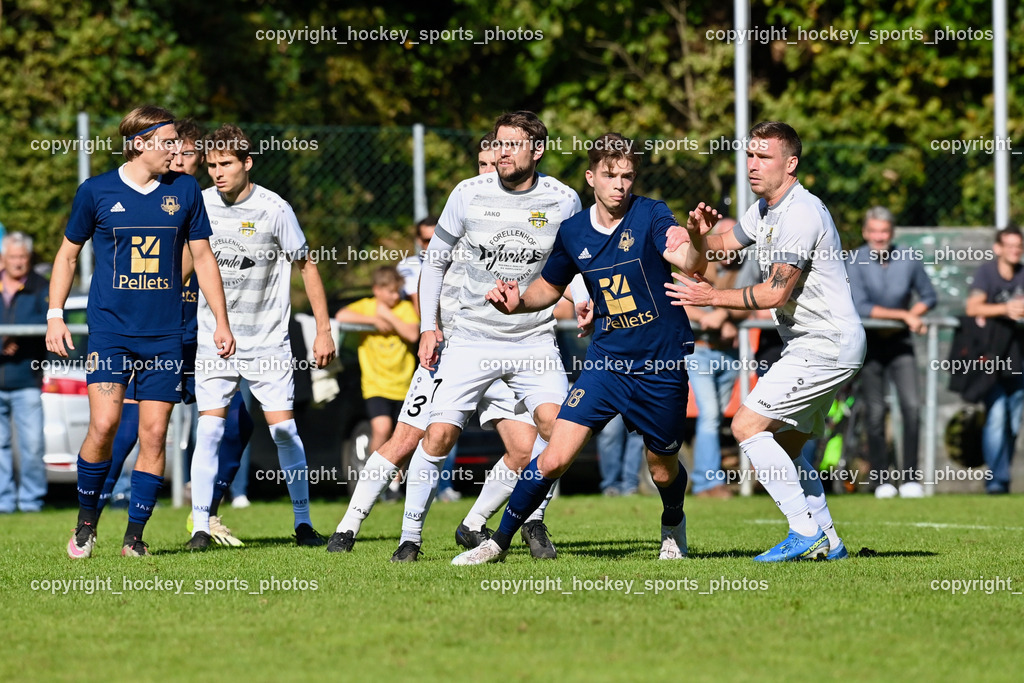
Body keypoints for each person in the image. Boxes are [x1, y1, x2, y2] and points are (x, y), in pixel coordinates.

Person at [452, 132, 715, 565]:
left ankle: (672, 523)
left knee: (662, 468)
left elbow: (690, 261)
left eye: (628, 176)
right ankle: (496, 542)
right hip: (607, 363)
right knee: (553, 457)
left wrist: (697, 240)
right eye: (611, 175)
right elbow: (546, 287)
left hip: (660, 363)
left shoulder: (652, 214)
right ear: (591, 177)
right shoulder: (573, 231)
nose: (620, 184)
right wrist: (517, 301)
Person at [664, 121, 864, 562]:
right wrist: (695, 233)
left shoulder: (801, 213)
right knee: (788, 450)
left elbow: (775, 292)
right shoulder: (765, 209)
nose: (752, 165)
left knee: (746, 426)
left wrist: (710, 296)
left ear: (790, 164)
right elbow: (721, 248)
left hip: (825, 343)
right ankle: (829, 542)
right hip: (815, 344)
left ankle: (802, 530)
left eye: (763, 157)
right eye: (749, 156)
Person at [49, 105, 235, 558]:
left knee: (154, 435)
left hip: (165, 336)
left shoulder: (186, 190)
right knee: (105, 424)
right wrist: (55, 313)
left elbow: (205, 258)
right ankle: (85, 525)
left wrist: (221, 322)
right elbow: (67, 255)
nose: (177, 149)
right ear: (139, 144)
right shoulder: (96, 191)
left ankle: (134, 537)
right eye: (168, 141)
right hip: (111, 333)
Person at [403, 111, 581, 564]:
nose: (502, 153)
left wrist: (583, 297)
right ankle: (410, 538)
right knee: (439, 435)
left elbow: (575, 260)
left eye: (512, 144)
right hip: (471, 338)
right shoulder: (468, 194)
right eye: (498, 144)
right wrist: (430, 326)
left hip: (533, 339)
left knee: (556, 428)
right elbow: (435, 263)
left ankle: (534, 520)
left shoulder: (563, 200)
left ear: (537, 150)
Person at [95, 120, 253, 547]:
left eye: (188, 156)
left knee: (238, 423)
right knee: (126, 430)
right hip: (153, 332)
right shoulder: (158, 198)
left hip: (195, 336)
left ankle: (205, 513)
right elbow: (169, 266)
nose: (179, 161)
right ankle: (93, 515)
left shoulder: (195, 201)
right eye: (174, 153)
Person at [186, 124, 335, 550]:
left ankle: (303, 523)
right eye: (211, 165)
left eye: (226, 164)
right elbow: (187, 262)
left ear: (247, 163)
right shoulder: (201, 204)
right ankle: (200, 526)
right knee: (210, 430)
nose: (217, 172)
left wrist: (323, 331)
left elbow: (306, 266)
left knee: (283, 431)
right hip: (215, 338)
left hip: (267, 341)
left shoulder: (274, 209)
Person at [846, 206, 936, 498]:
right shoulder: (855, 260)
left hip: (901, 345)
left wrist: (916, 313)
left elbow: (929, 296)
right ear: (865, 232)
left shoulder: (908, 257)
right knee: (874, 412)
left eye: (884, 232)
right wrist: (905, 315)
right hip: (870, 345)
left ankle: (909, 478)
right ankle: (881, 480)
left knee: (911, 407)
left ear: (891, 233)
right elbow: (860, 307)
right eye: (873, 231)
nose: (879, 237)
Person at [682, 217, 747, 499]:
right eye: (728, 238)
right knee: (709, 417)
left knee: (715, 418)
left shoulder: (746, 269)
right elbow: (681, 302)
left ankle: (703, 481)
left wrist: (726, 314)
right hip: (702, 351)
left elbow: (750, 302)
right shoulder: (699, 264)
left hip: (730, 354)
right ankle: (708, 482)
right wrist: (715, 318)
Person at [964, 225, 1024, 494]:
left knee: (1012, 422)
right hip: (990, 360)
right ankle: (996, 480)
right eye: (1009, 245)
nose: (1015, 250)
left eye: (1018, 246)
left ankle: (1002, 475)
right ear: (998, 248)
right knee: (997, 414)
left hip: (1019, 361)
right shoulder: (987, 273)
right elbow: (972, 307)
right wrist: (1005, 308)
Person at [335, 266, 420, 454]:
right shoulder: (367, 306)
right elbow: (341, 315)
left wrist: (388, 317)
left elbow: (413, 335)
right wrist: (373, 320)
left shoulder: (404, 308)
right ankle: (374, 475)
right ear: (377, 290)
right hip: (376, 385)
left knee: (403, 437)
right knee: (382, 429)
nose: (395, 296)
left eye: (397, 291)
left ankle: (396, 481)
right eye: (390, 292)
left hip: (404, 386)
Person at [0, 232, 49, 513]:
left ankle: (31, 501)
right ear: (3, 259)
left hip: (27, 379)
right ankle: (4, 501)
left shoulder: (40, 286)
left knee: (31, 446)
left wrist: (20, 335)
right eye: (12, 257)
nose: (18, 262)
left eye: (22, 257)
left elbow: (49, 320)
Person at [596, 414, 645, 497]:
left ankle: (630, 486)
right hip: (612, 401)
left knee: (636, 436)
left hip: (639, 401)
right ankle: (611, 485)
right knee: (610, 434)